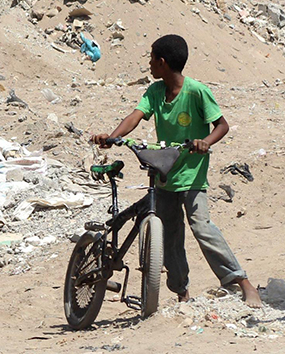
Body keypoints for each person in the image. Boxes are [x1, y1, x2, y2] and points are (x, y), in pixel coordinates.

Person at [90, 34, 262, 308]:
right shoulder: (155, 92)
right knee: (170, 237)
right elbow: (136, 116)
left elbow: (222, 125)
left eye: (151, 59)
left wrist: (205, 142)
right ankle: (181, 293)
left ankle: (243, 283)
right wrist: (113, 137)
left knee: (202, 227)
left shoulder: (196, 92)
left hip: (192, 176)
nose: (149, 64)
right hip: (165, 174)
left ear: (162, 62)